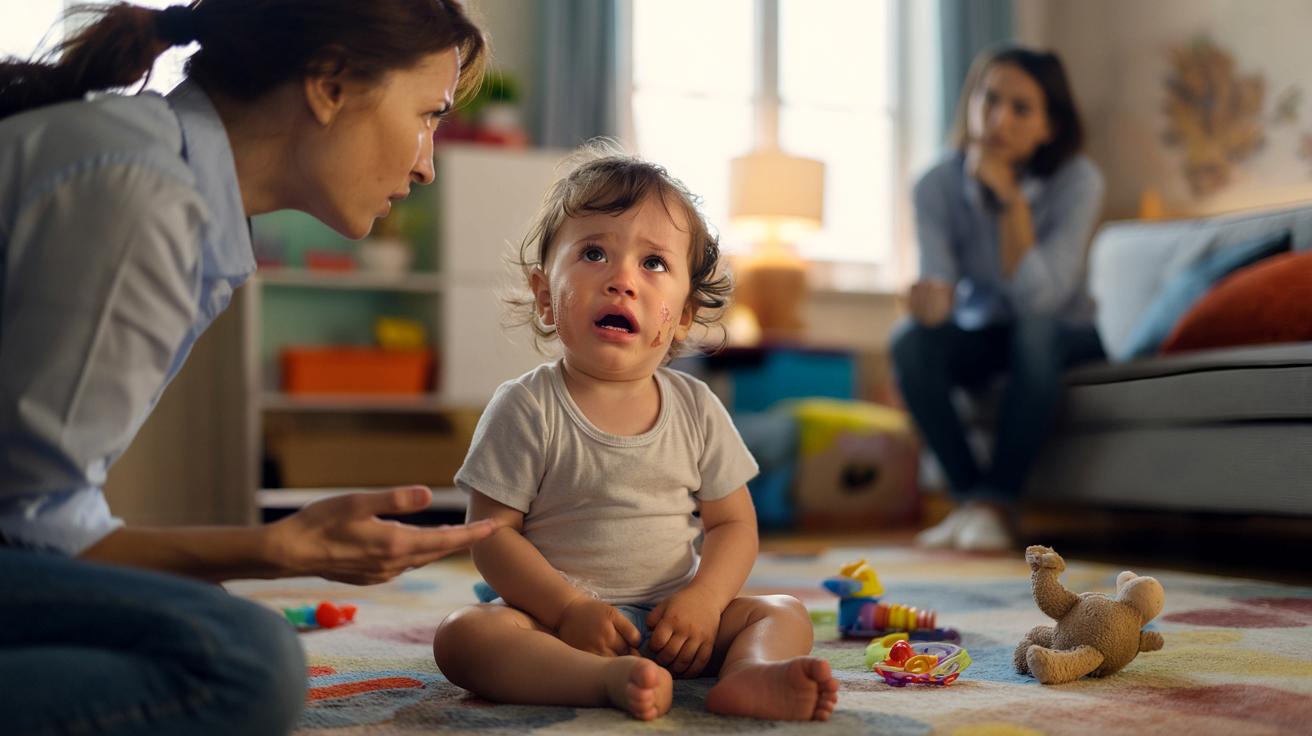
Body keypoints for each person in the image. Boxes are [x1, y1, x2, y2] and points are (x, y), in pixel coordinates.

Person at [0, 2, 500, 733]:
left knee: (201, 618)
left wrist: (274, 551)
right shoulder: (145, 196)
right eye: (428, 115)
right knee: (246, 659)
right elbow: (34, 530)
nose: (426, 163)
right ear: (329, 83)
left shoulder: (157, 171)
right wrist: (278, 549)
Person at [431, 151, 840, 722]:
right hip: (557, 625)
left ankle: (750, 675)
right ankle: (602, 681)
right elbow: (491, 534)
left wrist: (705, 602)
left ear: (683, 316)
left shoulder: (697, 408)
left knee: (784, 612)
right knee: (464, 636)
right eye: (594, 254)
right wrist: (568, 609)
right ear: (546, 295)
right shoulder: (526, 406)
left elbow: (733, 525)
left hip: (680, 625)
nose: (621, 280)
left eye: (653, 263)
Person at [891, 46, 1106, 553]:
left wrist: (1009, 199)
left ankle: (996, 502)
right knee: (908, 341)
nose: (997, 120)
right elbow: (941, 282)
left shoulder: (1079, 180)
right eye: (989, 100)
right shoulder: (935, 184)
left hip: (1064, 331)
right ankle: (971, 500)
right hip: (987, 328)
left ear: (1049, 126)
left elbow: (1039, 300)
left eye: (1020, 108)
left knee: (1034, 331)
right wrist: (931, 306)